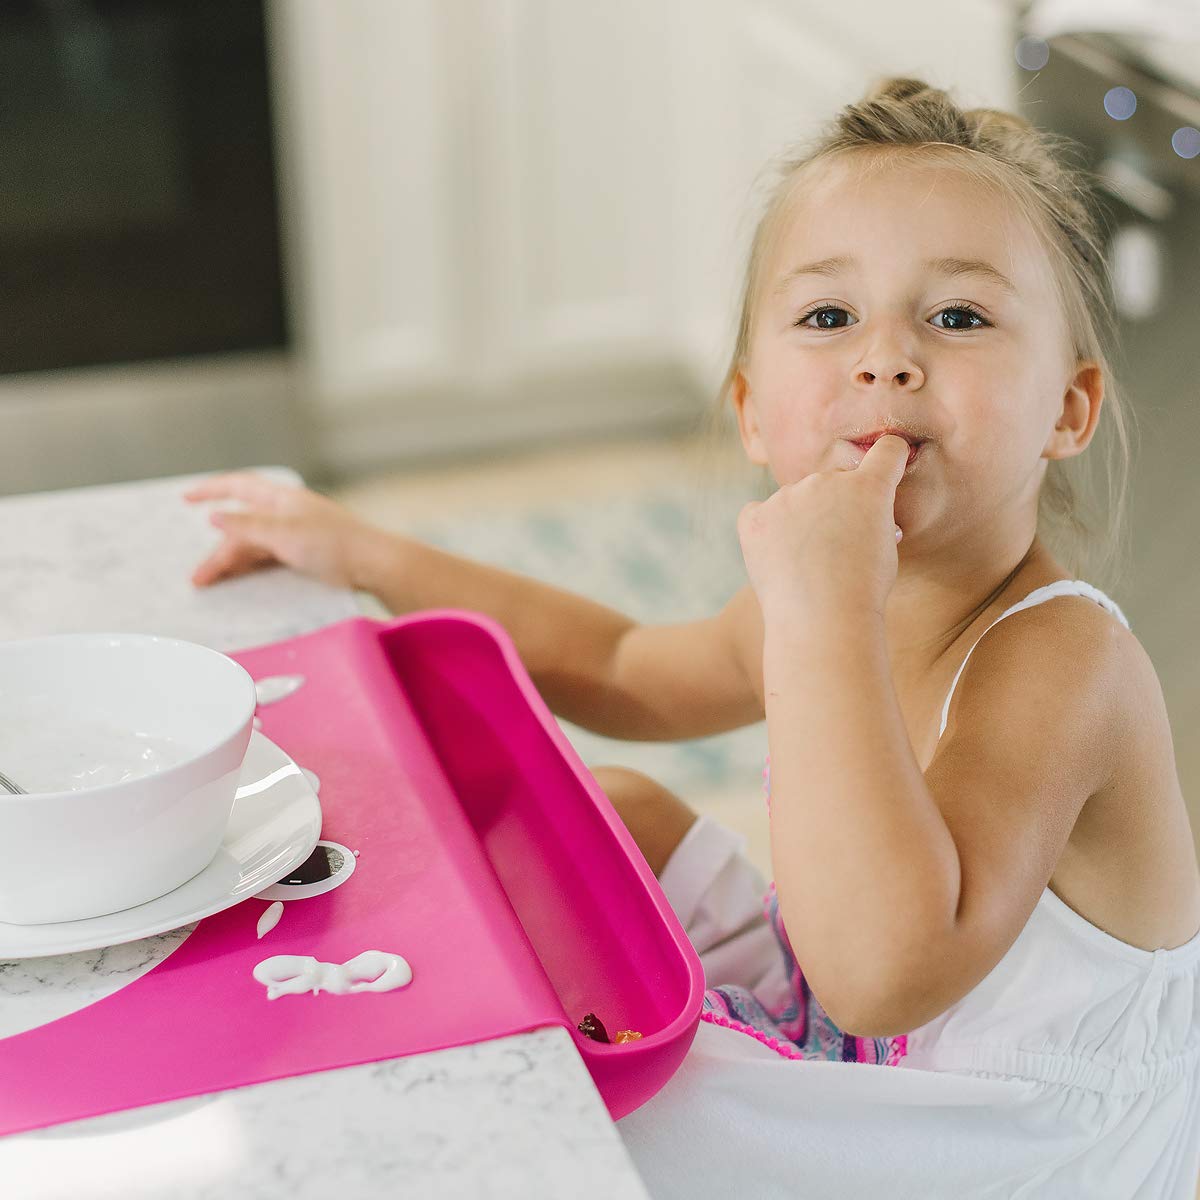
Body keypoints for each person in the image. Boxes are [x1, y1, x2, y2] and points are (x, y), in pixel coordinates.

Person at [185, 76, 1200, 1199]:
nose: (887, 359)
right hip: (859, 1047)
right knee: (607, 809)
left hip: (1008, 1144)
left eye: (958, 317)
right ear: (755, 411)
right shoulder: (810, 602)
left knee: (593, 1101)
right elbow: (625, 670)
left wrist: (822, 616)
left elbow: (882, 974)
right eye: (829, 318)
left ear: (1069, 407)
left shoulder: (1061, 660)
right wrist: (367, 553)